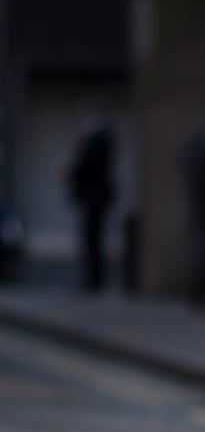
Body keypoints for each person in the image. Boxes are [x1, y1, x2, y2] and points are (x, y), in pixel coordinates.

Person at [64, 106, 117, 292]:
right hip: (92, 197)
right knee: (90, 238)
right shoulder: (96, 138)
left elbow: (90, 164)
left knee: (93, 238)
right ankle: (93, 279)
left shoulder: (101, 138)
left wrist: (71, 171)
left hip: (95, 197)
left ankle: (95, 280)